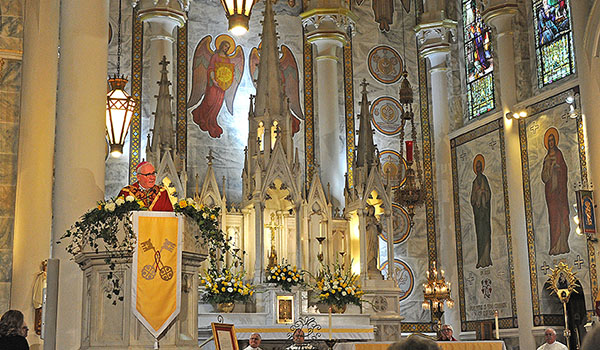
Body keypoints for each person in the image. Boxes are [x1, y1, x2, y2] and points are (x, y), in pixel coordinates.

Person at [192, 39, 233, 138]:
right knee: (210, 101)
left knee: (218, 104)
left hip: (222, 86)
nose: (226, 48)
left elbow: (229, 71)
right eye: (225, 46)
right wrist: (213, 79)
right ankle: (202, 116)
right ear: (221, 45)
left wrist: (227, 81)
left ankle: (212, 121)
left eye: (227, 47)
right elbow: (210, 68)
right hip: (213, 84)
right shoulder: (215, 56)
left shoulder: (227, 59)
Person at [541, 128, 570, 255]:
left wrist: (557, 169)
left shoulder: (559, 155)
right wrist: (549, 168)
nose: (551, 143)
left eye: (552, 140)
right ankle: (554, 246)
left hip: (559, 191)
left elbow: (563, 169)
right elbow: (544, 177)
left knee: (562, 214)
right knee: (553, 218)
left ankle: (562, 244)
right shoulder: (546, 158)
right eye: (549, 141)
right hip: (550, 193)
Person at [471, 155, 492, 268]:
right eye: (477, 167)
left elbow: (488, 194)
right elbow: (472, 199)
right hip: (478, 215)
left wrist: (482, 193)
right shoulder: (474, 183)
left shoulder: (484, 180)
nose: (478, 169)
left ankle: (486, 258)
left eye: (480, 167)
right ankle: (480, 259)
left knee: (486, 233)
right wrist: (477, 194)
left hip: (485, 213)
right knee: (480, 236)